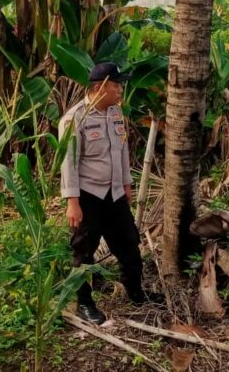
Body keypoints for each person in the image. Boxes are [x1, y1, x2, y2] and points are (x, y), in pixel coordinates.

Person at [59, 62, 162, 325]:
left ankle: (136, 293)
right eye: (116, 85)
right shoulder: (75, 119)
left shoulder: (115, 113)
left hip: (115, 194)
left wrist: (126, 185)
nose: (120, 90)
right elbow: (68, 162)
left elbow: (121, 152)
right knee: (84, 251)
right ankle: (84, 303)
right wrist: (73, 202)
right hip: (88, 196)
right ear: (99, 87)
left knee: (129, 243)